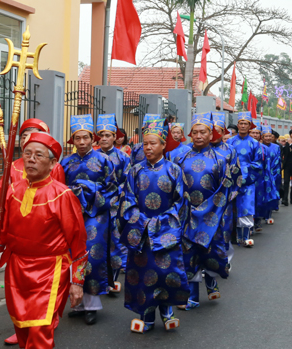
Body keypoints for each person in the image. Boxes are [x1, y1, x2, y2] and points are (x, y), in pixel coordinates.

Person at [0, 132, 88, 348]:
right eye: (27, 154)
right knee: (22, 327)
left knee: (39, 331)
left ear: (53, 163)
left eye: (38, 155)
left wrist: (77, 282)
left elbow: (78, 242)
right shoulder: (12, 191)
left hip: (49, 271)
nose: (31, 159)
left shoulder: (62, 195)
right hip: (16, 269)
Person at [118, 119, 190, 333]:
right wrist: (142, 222)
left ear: (163, 145)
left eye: (153, 143)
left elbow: (181, 203)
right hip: (141, 232)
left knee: (166, 272)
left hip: (166, 230)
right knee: (143, 275)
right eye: (145, 144)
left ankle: (167, 311)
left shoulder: (174, 170)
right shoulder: (134, 171)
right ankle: (146, 315)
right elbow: (127, 200)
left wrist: (162, 223)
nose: (148, 148)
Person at [60, 115, 119, 325]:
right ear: (73, 140)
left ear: (93, 139)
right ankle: (77, 304)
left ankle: (92, 305)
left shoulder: (104, 160)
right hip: (72, 215)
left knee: (92, 257)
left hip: (96, 215)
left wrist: (89, 190)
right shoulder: (65, 162)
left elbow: (112, 188)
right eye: (78, 138)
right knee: (72, 256)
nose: (82, 142)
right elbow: (58, 189)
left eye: (86, 137)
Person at [178, 113, 237, 311]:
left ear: (211, 134)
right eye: (195, 132)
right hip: (186, 214)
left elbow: (225, 187)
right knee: (188, 253)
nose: (198, 136)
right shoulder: (181, 157)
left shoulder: (221, 158)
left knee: (210, 250)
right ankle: (192, 296)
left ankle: (211, 280)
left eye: (203, 132)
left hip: (212, 214)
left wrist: (208, 211)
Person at [95, 114, 131, 294]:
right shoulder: (92, 156)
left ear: (114, 137)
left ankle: (113, 280)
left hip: (116, 206)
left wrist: (115, 196)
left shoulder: (123, 157)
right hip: (95, 207)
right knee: (97, 242)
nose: (104, 138)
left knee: (115, 242)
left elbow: (128, 181)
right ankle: (98, 279)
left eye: (107, 135)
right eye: (101, 135)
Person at [227, 112, 264, 246]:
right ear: (237, 125)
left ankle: (246, 236)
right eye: (241, 123)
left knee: (247, 206)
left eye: (245, 124)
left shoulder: (255, 143)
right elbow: (225, 161)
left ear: (250, 126)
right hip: (232, 181)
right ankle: (235, 236)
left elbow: (258, 163)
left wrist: (246, 176)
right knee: (233, 207)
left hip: (248, 181)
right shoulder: (230, 142)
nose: (243, 126)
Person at [259, 125, 281, 221]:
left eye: (270, 136)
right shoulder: (258, 147)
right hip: (261, 174)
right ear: (262, 137)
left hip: (273, 174)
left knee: (270, 195)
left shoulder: (276, 147)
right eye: (266, 136)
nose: (268, 138)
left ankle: (268, 215)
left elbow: (277, 161)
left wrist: (272, 174)